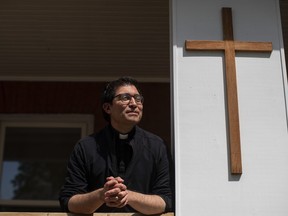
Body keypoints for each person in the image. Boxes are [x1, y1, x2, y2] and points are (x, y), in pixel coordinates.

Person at [59, 76, 173, 214]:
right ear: (108, 107)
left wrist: (129, 196)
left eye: (138, 99)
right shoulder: (85, 147)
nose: (134, 103)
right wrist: (102, 195)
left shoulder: (157, 146)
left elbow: (166, 201)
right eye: (125, 97)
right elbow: (69, 202)